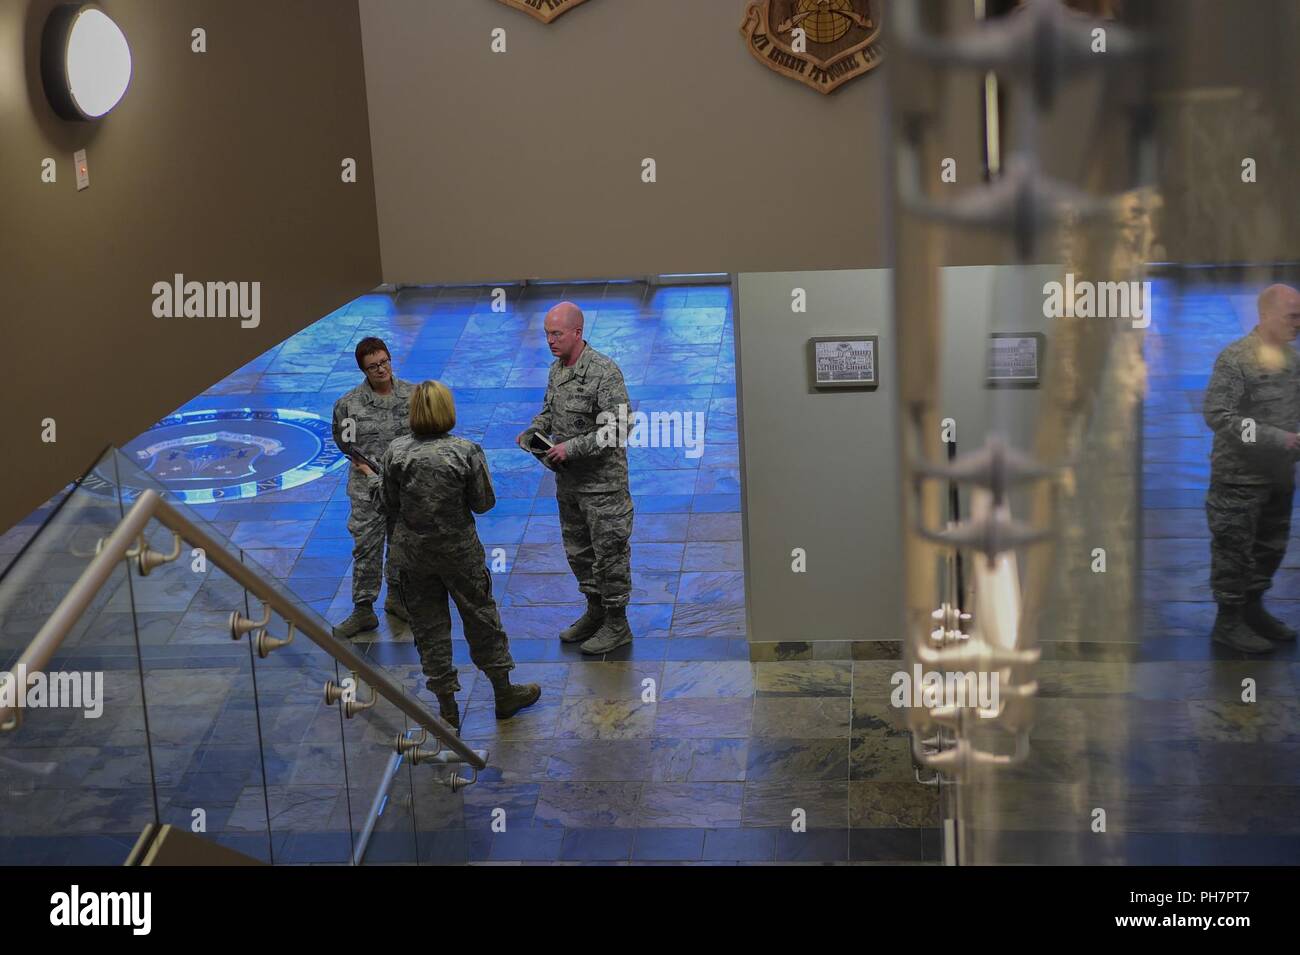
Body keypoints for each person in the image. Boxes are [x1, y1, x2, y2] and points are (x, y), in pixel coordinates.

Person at [360, 380, 539, 727]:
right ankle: (504, 692)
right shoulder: (465, 451)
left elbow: (387, 504)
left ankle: (447, 709)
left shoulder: (396, 453)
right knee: (481, 619)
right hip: (460, 555)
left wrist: (371, 478)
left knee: (429, 629)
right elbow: (484, 503)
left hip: (413, 556)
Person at [517, 302, 635, 654]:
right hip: (569, 486)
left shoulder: (603, 372)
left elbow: (620, 427)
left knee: (609, 555)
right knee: (580, 553)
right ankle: (595, 611)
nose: (550, 341)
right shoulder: (557, 370)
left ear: (577, 333)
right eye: (547, 334)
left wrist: (573, 448)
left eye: (556, 334)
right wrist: (535, 432)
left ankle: (617, 623)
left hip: (603, 488)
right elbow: (549, 412)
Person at [1202, 284, 1300, 653]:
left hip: (1279, 477)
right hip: (1238, 480)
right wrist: (1276, 438)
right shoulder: (1236, 359)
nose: (1299, 323)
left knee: (1270, 547)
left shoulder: (1292, 360)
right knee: (1234, 551)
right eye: (1293, 316)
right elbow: (1218, 414)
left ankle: (1254, 611)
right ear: (1267, 316)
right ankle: (1228, 622)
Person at [330, 337, 412, 639]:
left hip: (403, 486)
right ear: (363, 370)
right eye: (373, 366)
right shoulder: (348, 405)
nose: (381, 369)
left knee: (402, 544)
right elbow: (345, 444)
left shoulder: (414, 396)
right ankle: (364, 608)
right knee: (367, 546)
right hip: (367, 489)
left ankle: (397, 598)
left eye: (384, 362)